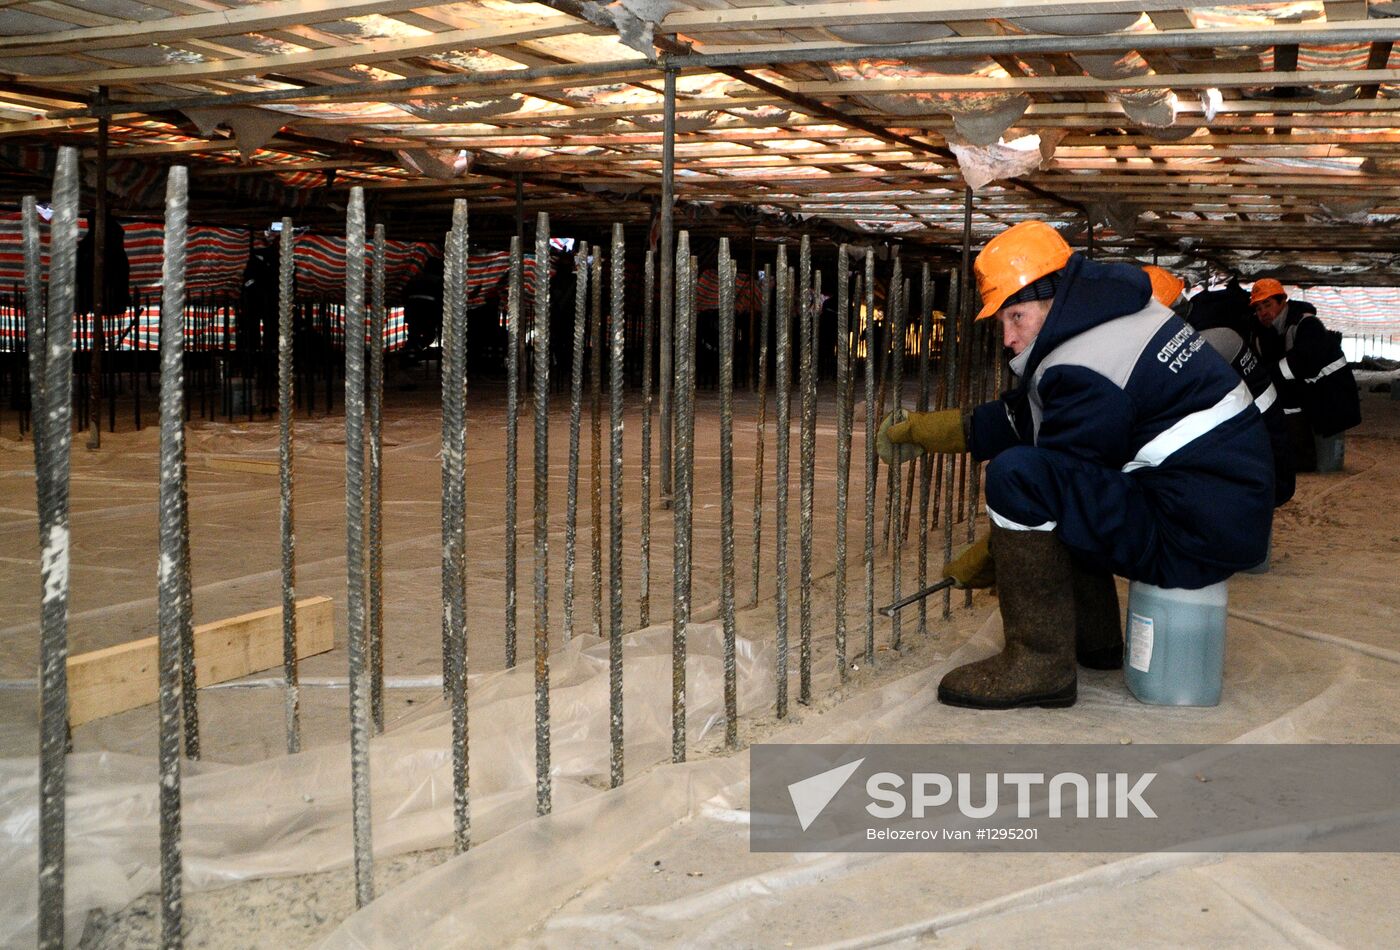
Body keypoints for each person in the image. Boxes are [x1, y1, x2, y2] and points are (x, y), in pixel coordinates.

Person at [880, 221, 1273, 710]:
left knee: (1020, 475)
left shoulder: (1084, 362)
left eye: (1016, 316)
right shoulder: (1113, 316)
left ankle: (1039, 662)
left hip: (1193, 532)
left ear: (1051, 298)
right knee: (1070, 485)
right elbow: (1036, 416)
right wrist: (924, 431)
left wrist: (993, 556)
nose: (1007, 336)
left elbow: (1055, 477)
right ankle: (1097, 640)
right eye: (1001, 321)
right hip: (1218, 508)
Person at [1144, 267, 1294, 507]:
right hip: (1264, 427)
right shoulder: (1206, 325)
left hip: (1259, 435)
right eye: (1258, 307)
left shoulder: (1200, 338)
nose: (1262, 312)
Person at [1249, 279, 1360, 472]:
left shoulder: (1307, 324)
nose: (1263, 313)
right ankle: (1300, 457)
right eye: (1258, 308)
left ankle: (1308, 458)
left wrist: (1267, 378)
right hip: (1309, 395)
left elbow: (1301, 364)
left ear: (1282, 301)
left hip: (1332, 397)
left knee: (1327, 461)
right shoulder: (1264, 335)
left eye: (1267, 305)